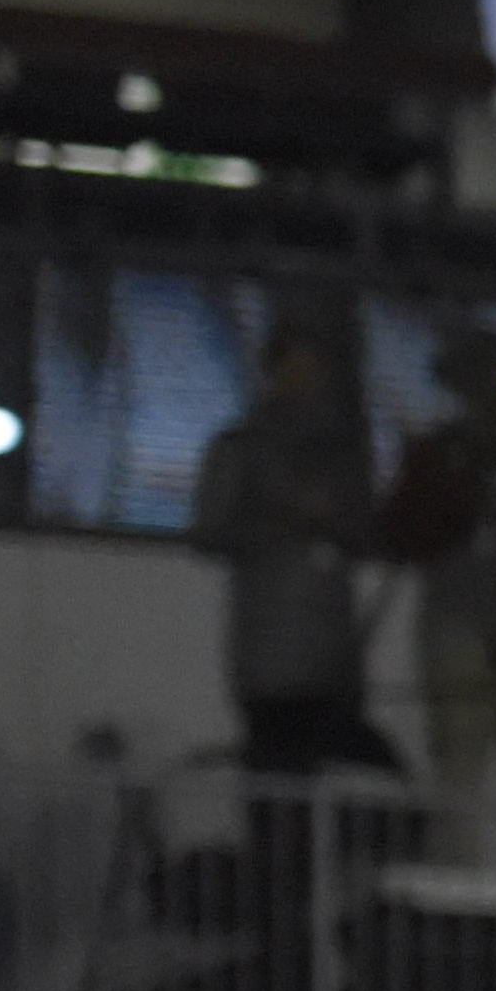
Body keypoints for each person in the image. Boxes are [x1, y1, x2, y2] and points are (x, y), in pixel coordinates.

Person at [191, 302, 391, 780]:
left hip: (334, 652)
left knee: (330, 780)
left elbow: (369, 534)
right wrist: (282, 521)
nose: (304, 378)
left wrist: (330, 521)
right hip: (266, 647)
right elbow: (209, 530)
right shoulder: (240, 447)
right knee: (274, 776)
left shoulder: (345, 453)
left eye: (313, 366)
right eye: (293, 364)